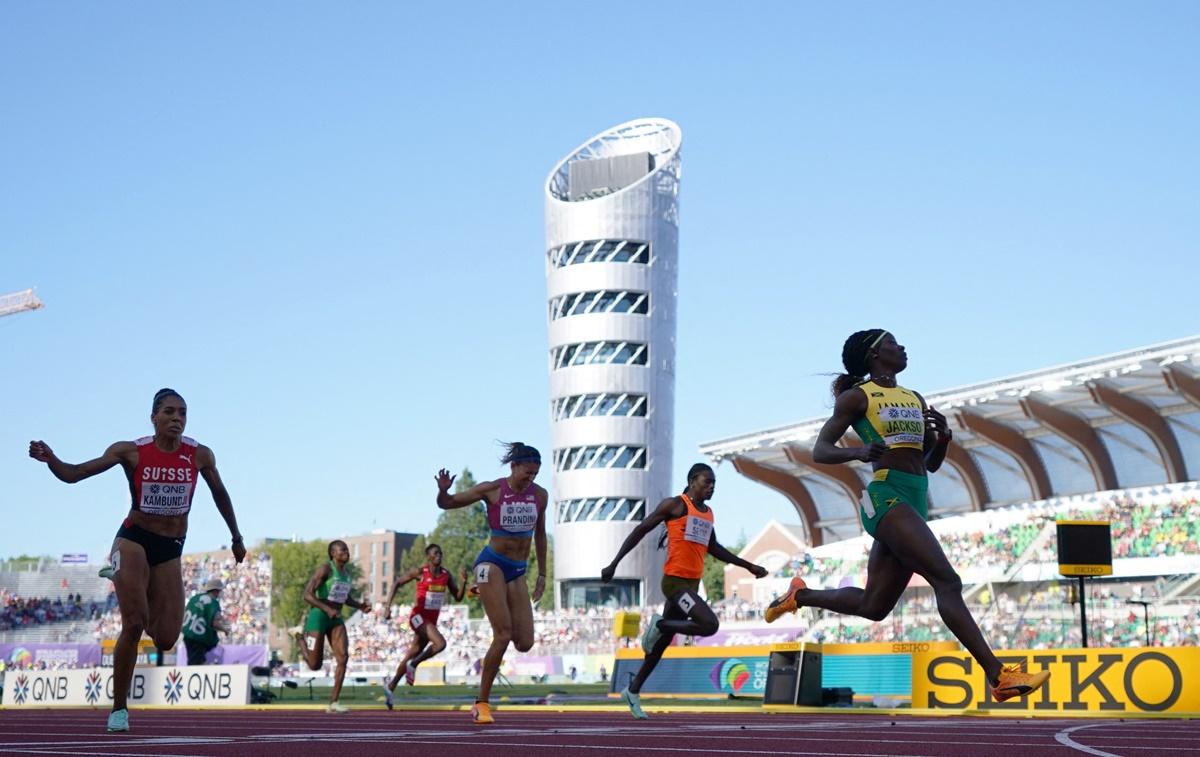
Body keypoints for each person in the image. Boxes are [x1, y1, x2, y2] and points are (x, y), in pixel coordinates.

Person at [762, 330, 1050, 702]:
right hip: (885, 496)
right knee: (947, 582)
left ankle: (800, 597)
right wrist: (860, 451)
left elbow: (928, 464)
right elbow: (821, 449)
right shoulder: (857, 397)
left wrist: (943, 440)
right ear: (873, 355)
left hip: (915, 498)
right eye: (893, 344)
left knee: (874, 606)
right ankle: (998, 676)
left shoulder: (915, 398)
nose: (902, 348)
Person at [28, 388, 246, 733]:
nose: (177, 419)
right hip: (134, 538)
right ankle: (119, 710)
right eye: (170, 412)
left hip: (171, 547)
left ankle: (125, 577)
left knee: (165, 638)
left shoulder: (200, 455)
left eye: (183, 413)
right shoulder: (130, 451)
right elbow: (75, 474)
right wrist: (51, 459)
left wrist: (236, 537)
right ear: (154, 417)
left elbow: (221, 493)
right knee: (134, 623)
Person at [601, 463, 768, 719]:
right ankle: (662, 624)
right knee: (709, 624)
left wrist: (749, 566)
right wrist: (614, 563)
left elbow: (715, 549)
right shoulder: (675, 505)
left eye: (714, 484)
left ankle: (633, 691)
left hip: (691, 584)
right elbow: (640, 530)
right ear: (692, 481)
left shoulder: (708, 513)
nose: (711, 487)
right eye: (706, 482)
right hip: (674, 583)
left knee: (661, 646)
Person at [434, 442, 547, 724]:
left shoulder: (540, 496)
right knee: (504, 633)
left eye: (535, 474)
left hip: (517, 570)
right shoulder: (492, 490)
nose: (530, 479)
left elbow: (541, 535)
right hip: (491, 564)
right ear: (514, 466)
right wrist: (444, 490)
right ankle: (482, 703)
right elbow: (447, 504)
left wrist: (542, 574)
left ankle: (482, 591)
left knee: (525, 643)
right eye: (527, 473)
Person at [381, 543, 467, 708]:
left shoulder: (446, 575)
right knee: (440, 643)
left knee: (411, 653)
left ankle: (391, 687)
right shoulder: (421, 572)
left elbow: (458, 597)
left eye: (440, 553)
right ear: (428, 557)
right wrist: (387, 607)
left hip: (430, 621)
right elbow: (396, 583)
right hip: (418, 618)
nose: (439, 556)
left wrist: (463, 582)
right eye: (435, 553)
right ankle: (414, 665)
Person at [294, 539, 371, 713]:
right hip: (319, 616)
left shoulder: (345, 572)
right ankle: (299, 638)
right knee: (314, 665)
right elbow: (307, 594)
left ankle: (333, 703)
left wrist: (360, 606)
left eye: (347, 550)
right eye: (342, 550)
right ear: (333, 553)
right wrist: (327, 609)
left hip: (336, 617)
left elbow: (345, 597)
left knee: (343, 657)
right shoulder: (326, 569)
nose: (347, 553)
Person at [182, 577, 232, 665]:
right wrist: (225, 630)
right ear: (216, 590)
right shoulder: (213, 603)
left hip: (187, 635)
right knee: (196, 664)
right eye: (220, 590)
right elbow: (215, 623)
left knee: (193, 660)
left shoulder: (195, 598)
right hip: (200, 638)